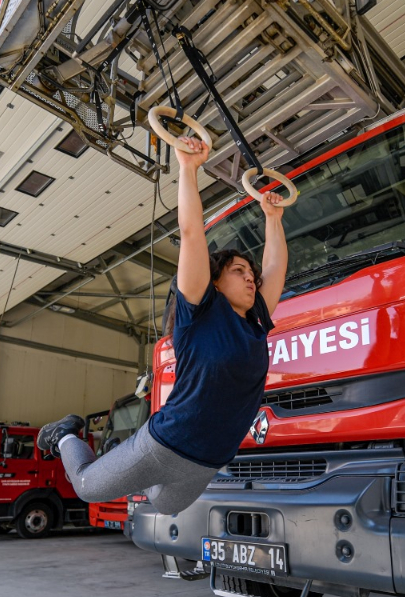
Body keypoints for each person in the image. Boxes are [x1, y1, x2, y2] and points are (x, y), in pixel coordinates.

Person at [36, 135, 288, 515]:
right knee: (87, 486)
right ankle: (65, 433)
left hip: (206, 459)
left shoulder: (255, 325)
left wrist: (273, 218)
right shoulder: (201, 310)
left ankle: (126, 464)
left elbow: (275, 268)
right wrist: (188, 168)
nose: (252, 278)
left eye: (251, 273)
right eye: (239, 272)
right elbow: (191, 234)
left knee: (165, 505)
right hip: (168, 442)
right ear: (214, 280)